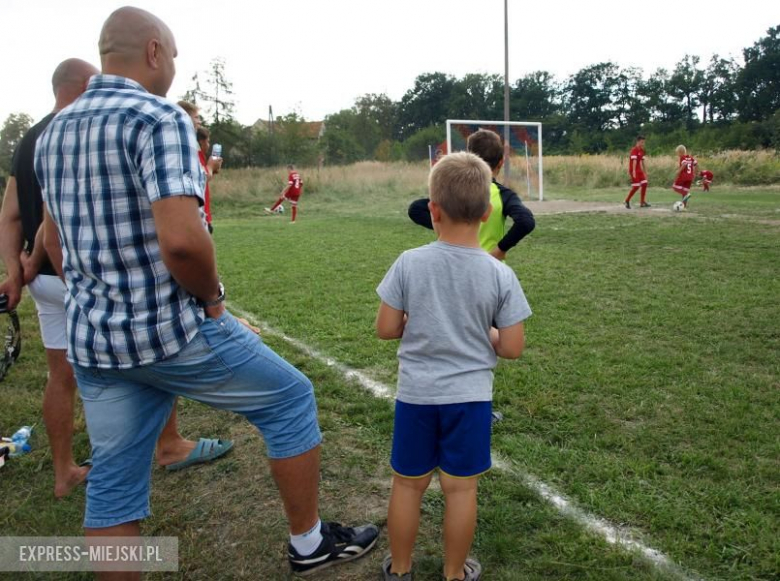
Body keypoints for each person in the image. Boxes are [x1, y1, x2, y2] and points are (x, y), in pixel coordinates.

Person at [35, 7, 377, 579]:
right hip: (171, 332)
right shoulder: (158, 118)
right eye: (172, 54)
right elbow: (183, 244)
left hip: (95, 343)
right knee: (290, 399)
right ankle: (309, 542)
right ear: (153, 52)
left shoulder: (53, 133)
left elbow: (53, 242)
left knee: (115, 485)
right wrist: (215, 303)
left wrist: (99, 299)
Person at [376, 152, 532, 581]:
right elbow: (513, 347)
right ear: (486, 214)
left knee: (408, 485)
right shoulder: (500, 275)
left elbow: (387, 328)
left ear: (432, 210)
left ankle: (401, 570)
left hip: (416, 396)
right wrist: (487, 334)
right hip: (470, 401)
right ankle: (454, 573)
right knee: (460, 489)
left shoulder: (409, 262)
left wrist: (415, 319)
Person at [0, 59, 98, 498]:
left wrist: (14, 273)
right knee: (115, 374)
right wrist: (38, 257)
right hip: (78, 273)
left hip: (41, 283)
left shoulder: (25, 141)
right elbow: (50, 219)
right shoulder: (76, 132)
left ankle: (64, 473)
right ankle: (145, 454)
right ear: (87, 84)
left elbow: (9, 216)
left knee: (60, 377)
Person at [408, 129, 535, 262]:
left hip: (454, 264)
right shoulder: (503, 195)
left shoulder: (456, 188)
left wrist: (447, 227)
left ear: (469, 158)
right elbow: (526, 221)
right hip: (488, 268)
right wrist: (500, 250)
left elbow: (416, 209)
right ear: (501, 163)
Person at [178, 101, 222, 233]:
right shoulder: (188, 147)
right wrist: (209, 167)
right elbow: (201, 177)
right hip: (194, 216)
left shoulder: (190, 146)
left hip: (200, 214)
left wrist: (212, 169)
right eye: (196, 117)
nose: (200, 121)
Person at [625, 135, 651, 209]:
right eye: (642, 142)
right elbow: (634, 161)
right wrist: (633, 171)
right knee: (636, 186)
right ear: (638, 142)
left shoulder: (642, 150)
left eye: (644, 142)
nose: (643, 144)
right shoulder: (634, 150)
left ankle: (642, 202)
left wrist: (645, 172)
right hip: (634, 170)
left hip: (639, 170)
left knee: (645, 183)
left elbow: (643, 162)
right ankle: (627, 200)